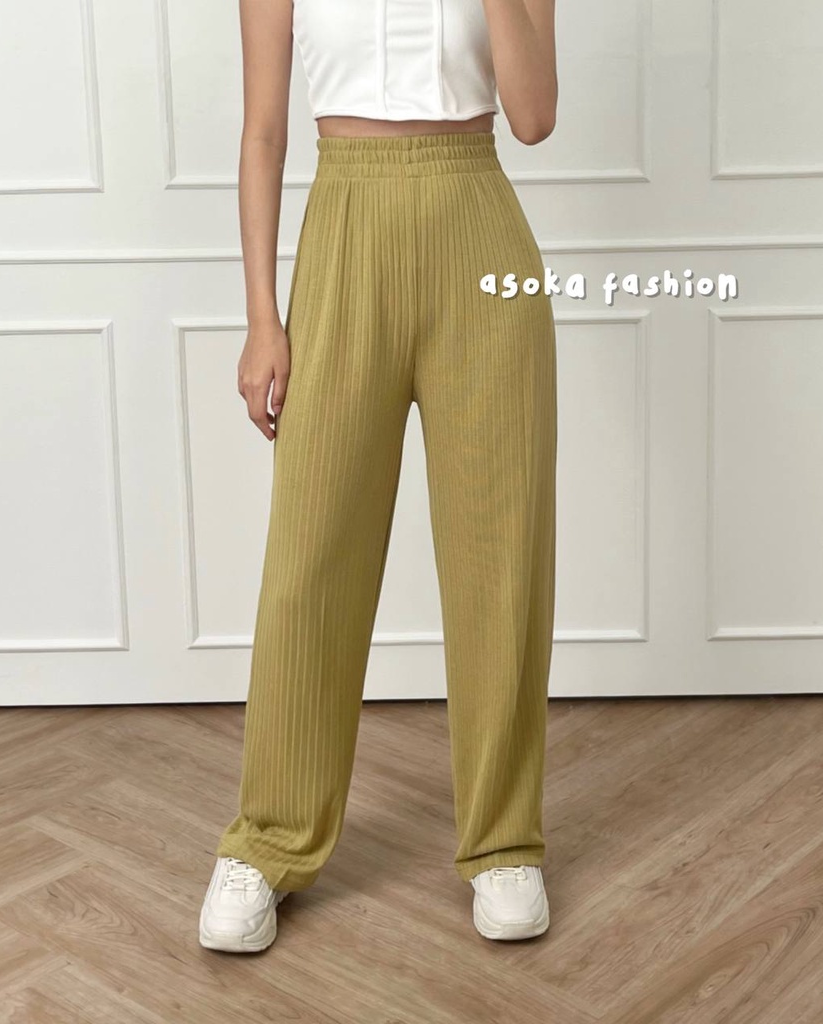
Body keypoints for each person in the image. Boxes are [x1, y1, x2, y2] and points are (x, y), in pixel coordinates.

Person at [199, 0, 558, 953]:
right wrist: (263, 319)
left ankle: (505, 842)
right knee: (312, 557)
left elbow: (533, 118)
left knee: (499, 557)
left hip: (481, 236)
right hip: (344, 231)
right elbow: (263, 133)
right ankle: (268, 839)